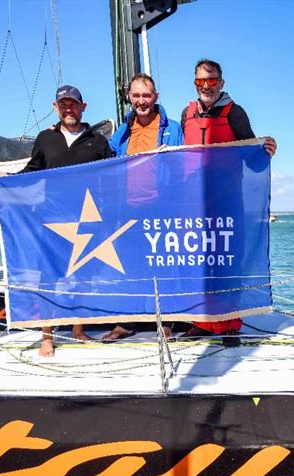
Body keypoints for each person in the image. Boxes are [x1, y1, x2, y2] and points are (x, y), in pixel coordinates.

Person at [180, 58, 276, 340]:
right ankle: (201, 322)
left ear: (221, 83)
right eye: (200, 81)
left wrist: (266, 150)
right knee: (198, 263)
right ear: (195, 83)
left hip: (228, 201)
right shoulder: (187, 113)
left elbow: (252, 157)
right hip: (195, 203)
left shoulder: (235, 113)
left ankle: (229, 325)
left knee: (227, 262)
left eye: (211, 81)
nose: (206, 86)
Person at [20, 85, 116, 356]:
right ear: (55, 108)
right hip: (51, 219)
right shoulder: (45, 138)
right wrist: (6, 179)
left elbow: (113, 173)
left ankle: (78, 329)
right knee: (49, 277)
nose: (68, 109)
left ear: (83, 107)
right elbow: (32, 171)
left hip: (86, 220)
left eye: (73, 104)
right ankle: (47, 336)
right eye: (63, 105)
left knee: (82, 276)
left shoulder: (97, 141)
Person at [102, 73, 184, 342]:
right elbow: (101, 155)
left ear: (156, 97)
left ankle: (166, 321)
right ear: (129, 97)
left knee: (163, 266)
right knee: (128, 266)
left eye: (146, 95)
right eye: (136, 95)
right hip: (126, 209)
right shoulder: (123, 130)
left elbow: (187, 164)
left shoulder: (172, 128)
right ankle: (126, 322)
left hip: (161, 207)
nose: (141, 101)